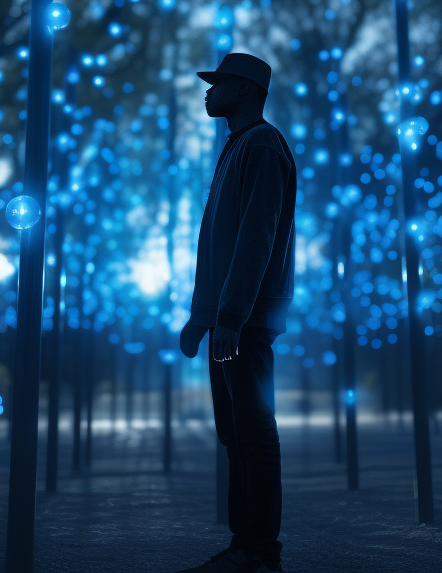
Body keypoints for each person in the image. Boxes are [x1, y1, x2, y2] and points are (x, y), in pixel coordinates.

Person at [177, 53, 296, 573]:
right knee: (235, 434)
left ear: (245, 90)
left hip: (245, 321)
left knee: (252, 432)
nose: (208, 91)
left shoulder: (263, 145)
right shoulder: (238, 147)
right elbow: (218, 244)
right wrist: (202, 317)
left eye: (218, 82)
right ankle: (244, 546)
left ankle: (260, 553)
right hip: (231, 319)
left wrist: (228, 317)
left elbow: (256, 237)